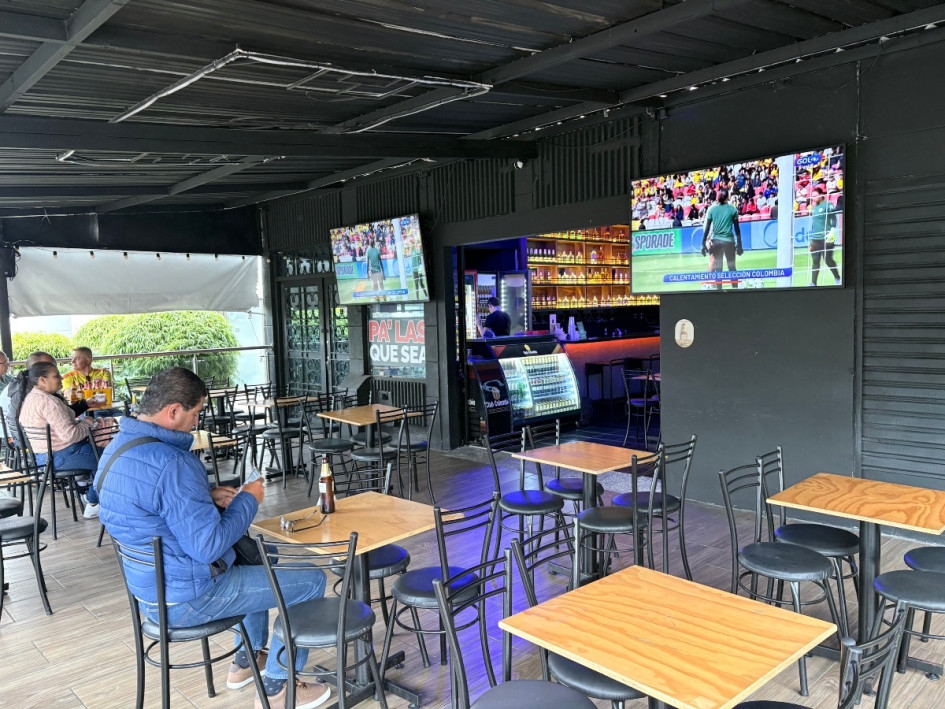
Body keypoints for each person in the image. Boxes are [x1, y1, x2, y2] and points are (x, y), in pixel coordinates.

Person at [98, 367, 330, 709]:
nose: (196, 423)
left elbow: (137, 503)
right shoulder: (174, 462)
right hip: (189, 597)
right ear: (174, 410)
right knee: (311, 580)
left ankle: (244, 663)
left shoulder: (116, 448)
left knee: (263, 563)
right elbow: (208, 546)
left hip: (150, 591)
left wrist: (203, 496)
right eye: (196, 414)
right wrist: (250, 498)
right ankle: (280, 687)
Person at [14, 361, 114, 518]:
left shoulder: (32, 397)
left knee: (103, 451)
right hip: (61, 455)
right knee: (110, 458)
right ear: (42, 380)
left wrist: (84, 412)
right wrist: (87, 423)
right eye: (56, 376)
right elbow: (71, 435)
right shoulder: (49, 402)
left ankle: (94, 496)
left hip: (44, 456)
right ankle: (93, 502)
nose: (60, 378)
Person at [700, 189, 743, 290]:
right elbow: (737, 230)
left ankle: (719, 290)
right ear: (728, 197)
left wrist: (703, 244)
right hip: (729, 241)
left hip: (717, 242)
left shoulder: (712, 210)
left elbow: (707, 229)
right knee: (732, 266)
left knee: (718, 268)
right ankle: (735, 288)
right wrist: (740, 245)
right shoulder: (733, 210)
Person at [808, 186, 841, 286]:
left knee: (828, 260)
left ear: (821, 194)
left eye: (815, 195)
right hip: (815, 239)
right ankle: (813, 283)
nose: (813, 198)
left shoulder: (828, 204)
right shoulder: (814, 208)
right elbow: (815, 223)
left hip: (827, 237)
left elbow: (834, 218)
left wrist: (832, 230)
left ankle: (837, 278)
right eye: (812, 196)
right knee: (815, 261)